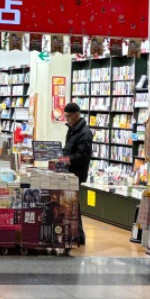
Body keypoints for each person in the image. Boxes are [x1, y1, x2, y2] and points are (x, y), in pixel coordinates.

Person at [62, 102, 93, 245]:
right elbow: (69, 149)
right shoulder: (73, 129)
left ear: (76, 115)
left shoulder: (84, 132)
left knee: (74, 204)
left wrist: (68, 159)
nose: (66, 119)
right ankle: (76, 234)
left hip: (76, 172)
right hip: (69, 171)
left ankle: (78, 235)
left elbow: (83, 155)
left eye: (68, 116)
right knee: (72, 203)